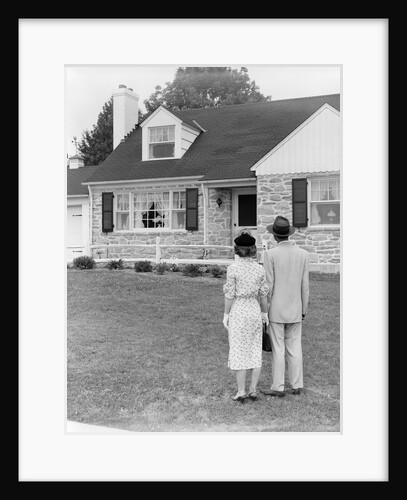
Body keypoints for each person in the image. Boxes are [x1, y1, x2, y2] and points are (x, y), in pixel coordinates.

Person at [261, 216, 309, 397]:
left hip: (276, 310)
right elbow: (305, 286)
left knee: (278, 348)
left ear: (274, 236)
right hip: (296, 308)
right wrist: (304, 309)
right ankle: (297, 384)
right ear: (288, 234)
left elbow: (269, 286)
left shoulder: (270, 255)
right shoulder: (303, 254)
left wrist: (265, 310)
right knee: (295, 346)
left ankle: (278, 387)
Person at [223, 231, 270, 403]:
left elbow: (229, 295)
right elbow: (263, 294)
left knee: (238, 348)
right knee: (254, 348)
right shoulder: (259, 269)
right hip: (254, 309)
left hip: (239, 309)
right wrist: (264, 314)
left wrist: (226, 315)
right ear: (253, 250)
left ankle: (241, 390)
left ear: (237, 250)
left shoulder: (233, 269)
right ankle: (253, 389)